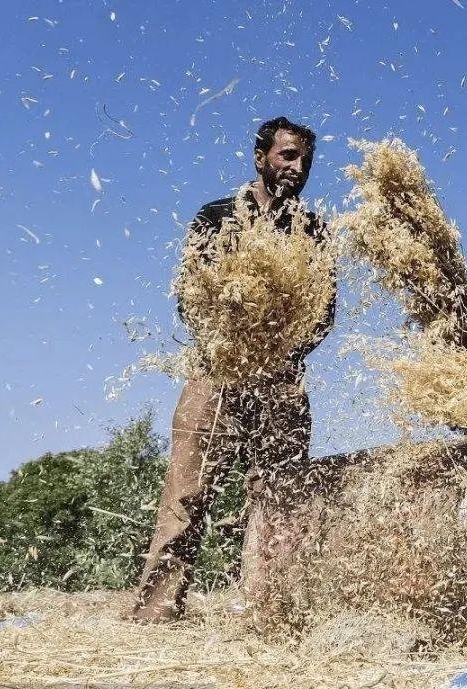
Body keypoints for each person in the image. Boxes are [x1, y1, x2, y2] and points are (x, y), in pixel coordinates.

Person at [127, 116, 333, 623]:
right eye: (288, 156)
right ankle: (156, 610)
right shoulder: (216, 216)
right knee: (187, 491)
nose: (297, 167)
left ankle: (269, 610)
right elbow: (189, 298)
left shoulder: (313, 230)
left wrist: (283, 349)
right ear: (261, 157)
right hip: (217, 370)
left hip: (281, 379)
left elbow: (323, 311)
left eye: (305, 160)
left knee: (280, 494)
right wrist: (231, 337)